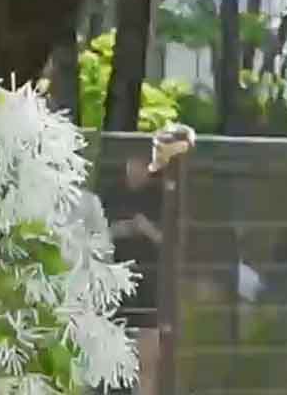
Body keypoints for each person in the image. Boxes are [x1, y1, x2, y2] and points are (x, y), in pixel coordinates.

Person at [105, 124, 195, 395]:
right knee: (111, 362)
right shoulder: (112, 194)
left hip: (150, 285)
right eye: (131, 163)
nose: (135, 169)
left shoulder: (162, 194)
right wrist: (119, 230)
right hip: (113, 285)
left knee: (148, 361)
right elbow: (94, 234)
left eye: (141, 163)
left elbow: (174, 244)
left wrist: (147, 229)